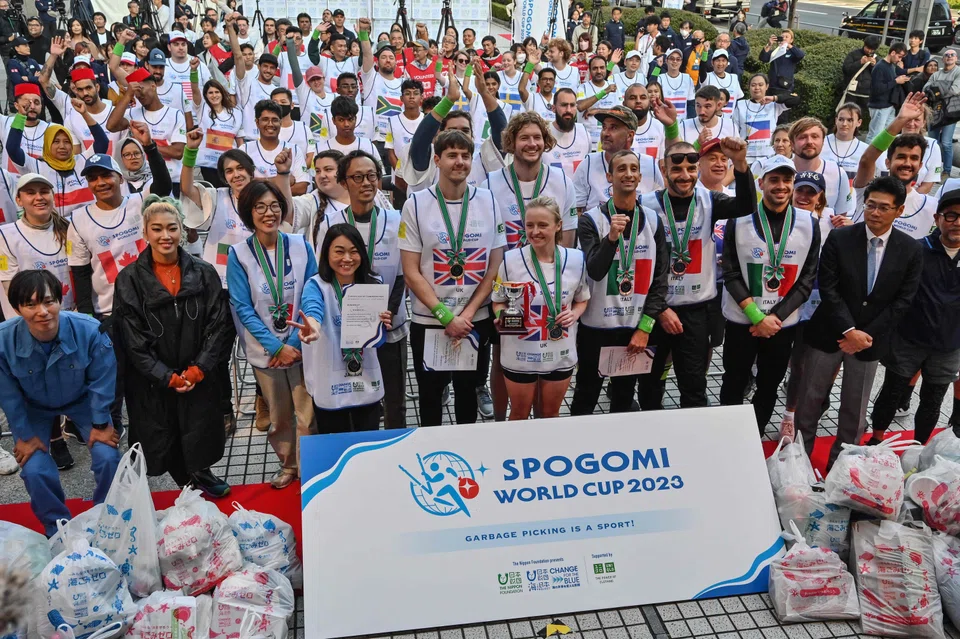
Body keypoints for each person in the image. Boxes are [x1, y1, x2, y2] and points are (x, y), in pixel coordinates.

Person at [794, 176, 922, 468]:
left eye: (884, 208)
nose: (875, 213)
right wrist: (849, 330)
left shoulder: (910, 250)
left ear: (899, 211)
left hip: (870, 342)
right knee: (810, 401)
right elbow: (828, 288)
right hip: (829, 332)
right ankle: (797, 462)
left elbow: (903, 300)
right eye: (870, 205)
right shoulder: (841, 238)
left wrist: (865, 335)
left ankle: (841, 466)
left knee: (855, 409)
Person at [114, 196, 232, 497]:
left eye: (172, 228)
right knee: (165, 430)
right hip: (156, 376)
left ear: (182, 230)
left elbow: (217, 325)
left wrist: (198, 369)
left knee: (199, 426)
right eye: (157, 229)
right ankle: (184, 479)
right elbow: (131, 334)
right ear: (145, 232)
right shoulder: (129, 279)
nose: (165, 236)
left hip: (197, 370)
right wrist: (165, 375)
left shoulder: (204, 273)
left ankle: (201, 472)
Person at [639, 131, 756, 409]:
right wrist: (658, 309)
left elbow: (747, 206)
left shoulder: (709, 200)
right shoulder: (646, 206)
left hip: (696, 310)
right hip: (656, 309)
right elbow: (637, 263)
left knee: (693, 386)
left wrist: (740, 165)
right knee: (649, 382)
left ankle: (692, 445)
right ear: (663, 169)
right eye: (676, 169)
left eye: (691, 168)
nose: (684, 175)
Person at [0, 269, 120, 533]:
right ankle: (57, 529)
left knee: (108, 456)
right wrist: (23, 434)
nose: (42, 311)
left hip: (83, 401)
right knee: (35, 470)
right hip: (33, 407)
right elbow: (7, 394)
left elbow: (103, 380)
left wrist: (101, 422)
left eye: (48, 301)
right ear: (17, 309)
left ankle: (108, 521)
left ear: (59, 300)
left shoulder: (89, 330)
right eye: (30, 305)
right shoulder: (3, 340)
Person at [399, 130, 505, 427]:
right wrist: (446, 316)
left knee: (468, 395)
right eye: (452, 155)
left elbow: (494, 265)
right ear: (437, 160)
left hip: (474, 319)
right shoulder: (416, 204)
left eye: (465, 156)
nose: (459, 162)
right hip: (431, 320)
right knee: (430, 397)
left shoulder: (488, 201)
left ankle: (467, 459)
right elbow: (411, 270)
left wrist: (467, 314)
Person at [719, 155, 820, 434]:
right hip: (743, 322)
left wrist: (774, 318)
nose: (781, 186)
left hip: (781, 325)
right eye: (773, 179)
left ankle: (755, 434)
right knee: (734, 381)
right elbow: (730, 272)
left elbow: (807, 278)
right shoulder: (738, 222)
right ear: (761, 183)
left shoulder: (809, 224)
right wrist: (755, 315)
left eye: (786, 180)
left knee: (769, 384)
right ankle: (728, 435)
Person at [306, 150, 407, 428]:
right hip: (343, 330)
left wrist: (385, 316)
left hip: (389, 326)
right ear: (344, 182)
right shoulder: (330, 222)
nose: (366, 183)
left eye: (372, 176)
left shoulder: (395, 220)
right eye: (358, 177)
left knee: (394, 400)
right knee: (353, 399)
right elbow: (322, 274)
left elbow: (401, 275)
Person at [227, 178, 317, 489]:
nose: (269, 213)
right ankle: (289, 465)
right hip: (266, 353)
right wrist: (275, 347)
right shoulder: (238, 255)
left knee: (308, 414)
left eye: (275, 206)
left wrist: (292, 343)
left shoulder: (301, 245)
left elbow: (312, 293)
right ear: (248, 213)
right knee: (279, 417)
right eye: (260, 207)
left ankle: (311, 469)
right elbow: (242, 307)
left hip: (302, 345)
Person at [571, 150, 668, 415]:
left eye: (634, 168)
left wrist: (645, 327)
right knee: (585, 396)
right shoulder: (591, 220)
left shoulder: (653, 220)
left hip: (634, 327)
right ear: (609, 176)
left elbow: (660, 279)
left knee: (624, 399)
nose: (628, 174)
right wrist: (611, 239)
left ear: (639, 176)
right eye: (621, 169)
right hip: (597, 327)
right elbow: (595, 270)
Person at [867, 187, 960, 445]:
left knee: (933, 400)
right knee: (892, 391)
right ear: (937, 218)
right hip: (909, 339)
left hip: (949, 345)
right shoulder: (916, 250)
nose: (957, 223)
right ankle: (876, 441)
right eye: (951, 215)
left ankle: (918, 448)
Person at [492, 197, 589, 419]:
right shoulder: (509, 260)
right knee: (518, 414)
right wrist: (503, 317)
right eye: (530, 225)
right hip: (520, 352)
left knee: (550, 415)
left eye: (543, 225)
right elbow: (498, 301)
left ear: (558, 225)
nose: (535, 231)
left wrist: (573, 314)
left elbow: (583, 299)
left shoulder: (575, 260)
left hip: (559, 351)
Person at [292, 222, 391, 432]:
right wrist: (314, 326)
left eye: (354, 252)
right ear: (326, 253)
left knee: (368, 441)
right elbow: (312, 308)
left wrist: (383, 324)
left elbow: (377, 338)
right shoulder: (316, 285)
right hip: (331, 381)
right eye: (339, 251)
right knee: (335, 443)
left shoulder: (373, 283)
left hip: (366, 378)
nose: (347, 259)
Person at [5, 95, 110, 218]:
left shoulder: (82, 160)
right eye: (56, 142)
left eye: (66, 141)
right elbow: (12, 148)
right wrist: (21, 116)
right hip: (58, 230)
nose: (62, 146)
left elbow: (103, 142)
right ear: (47, 144)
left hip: (90, 224)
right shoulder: (37, 167)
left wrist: (85, 114)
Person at [106, 68, 187, 197]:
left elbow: (177, 152)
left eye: (141, 89)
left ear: (153, 86)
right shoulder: (133, 113)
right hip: (143, 182)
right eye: (135, 92)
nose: (139, 95)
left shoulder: (175, 114)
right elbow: (111, 125)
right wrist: (128, 95)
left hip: (171, 179)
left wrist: (146, 145)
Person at [573, 105, 662, 213]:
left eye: (613, 128)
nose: (605, 133)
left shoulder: (649, 165)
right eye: (604, 127)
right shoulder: (588, 163)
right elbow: (576, 209)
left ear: (630, 135)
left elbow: (660, 209)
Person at [789, 118, 855, 218]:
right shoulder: (780, 171)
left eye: (815, 137)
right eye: (802, 137)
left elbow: (841, 215)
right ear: (792, 143)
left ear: (823, 141)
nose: (809, 141)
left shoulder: (837, 173)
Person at [190, 73, 243, 188]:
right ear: (206, 95)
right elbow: (194, 89)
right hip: (208, 164)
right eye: (210, 93)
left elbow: (239, 140)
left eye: (216, 92)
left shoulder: (236, 113)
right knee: (213, 194)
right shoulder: (202, 109)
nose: (214, 95)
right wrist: (194, 71)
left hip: (228, 163)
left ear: (222, 93)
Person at [733, 74, 797, 164]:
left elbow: (795, 99)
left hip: (769, 157)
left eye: (760, 85)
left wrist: (774, 98)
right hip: (746, 157)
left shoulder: (774, 105)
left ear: (767, 86)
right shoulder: (740, 105)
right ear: (749, 87)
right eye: (753, 85)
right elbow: (734, 130)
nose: (757, 88)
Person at [925, 48, 960, 179]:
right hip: (934, 111)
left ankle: (947, 170)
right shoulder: (936, 74)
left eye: (952, 55)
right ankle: (931, 167)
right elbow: (926, 88)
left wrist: (936, 91)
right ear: (943, 58)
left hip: (950, 113)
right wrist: (937, 90)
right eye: (946, 55)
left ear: (956, 58)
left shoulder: (958, 72)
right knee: (932, 141)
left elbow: (955, 90)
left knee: (946, 143)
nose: (949, 56)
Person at [820, 102, 868, 192]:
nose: (844, 124)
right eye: (841, 119)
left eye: (850, 120)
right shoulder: (821, 143)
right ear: (836, 120)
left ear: (859, 122)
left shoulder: (865, 150)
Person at [577, 55, 620, 151]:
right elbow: (580, 106)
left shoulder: (614, 88)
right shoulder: (582, 87)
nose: (599, 71)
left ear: (606, 68)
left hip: (609, 143)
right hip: (586, 143)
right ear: (590, 70)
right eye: (595, 68)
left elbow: (621, 112)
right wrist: (604, 92)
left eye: (602, 68)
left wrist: (598, 111)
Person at [868, 42, 909, 142]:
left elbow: (889, 82)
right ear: (893, 52)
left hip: (889, 105)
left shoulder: (891, 66)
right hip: (879, 106)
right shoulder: (880, 67)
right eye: (899, 56)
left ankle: (882, 155)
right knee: (875, 135)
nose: (899, 60)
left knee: (887, 135)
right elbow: (877, 89)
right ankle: (868, 157)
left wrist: (898, 79)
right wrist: (896, 81)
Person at [759, 30, 804, 99]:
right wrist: (769, 44)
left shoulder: (792, 53)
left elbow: (800, 55)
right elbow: (763, 58)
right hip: (772, 84)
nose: (784, 38)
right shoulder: (775, 52)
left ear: (791, 40)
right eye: (782, 37)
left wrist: (788, 45)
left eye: (787, 37)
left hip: (785, 85)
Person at [841, 35, 879, 113]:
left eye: (872, 50)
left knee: (860, 116)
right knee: (847, 113)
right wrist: (860, 62)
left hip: (866, 94)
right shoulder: (853, 54)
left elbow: (879, 77)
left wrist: (874, 66)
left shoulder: (877, 59)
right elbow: (846, 69)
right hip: (851, 92)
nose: (869, 51)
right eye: (868, 48)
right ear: (864, 45)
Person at [703, 50, 742, 116]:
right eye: (718, 60)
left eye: (723, 60)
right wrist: (705, 53)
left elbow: (738, 99)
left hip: (729, 121)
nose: (720, 64)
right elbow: (701, 67)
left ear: (727, 63)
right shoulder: (707, 77)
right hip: (711, 119)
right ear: (712, 62)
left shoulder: (734, 78)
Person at [659, 48, 694, 116]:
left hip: (682, 122)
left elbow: (691, 103)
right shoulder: (660, 78)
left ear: (681, 62)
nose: (675, 61)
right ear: (666, 60)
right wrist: (657, 67)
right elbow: (651, 83)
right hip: (665, 121)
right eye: (672, 59)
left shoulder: (688, 78)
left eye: (678, 59)